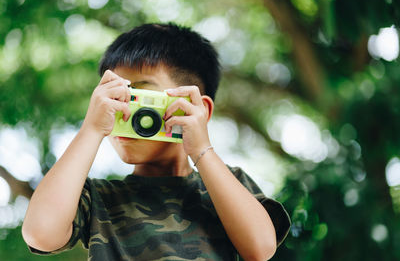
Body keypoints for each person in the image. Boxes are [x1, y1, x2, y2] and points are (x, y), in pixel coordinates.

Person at [22, 23, 291, 261]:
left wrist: (201, 150)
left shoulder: (228, 185)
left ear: (196, 109)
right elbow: (40, 233)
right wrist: (91, 130)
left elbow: (260, 249)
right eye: (115, 98)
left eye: (142, 96)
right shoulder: (98, 199)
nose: (124, 111)